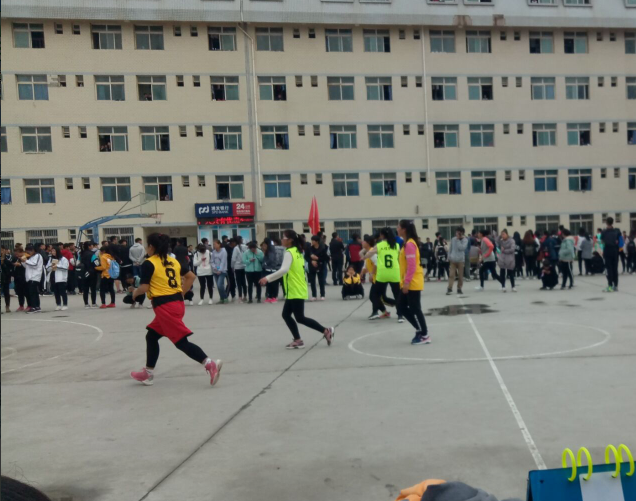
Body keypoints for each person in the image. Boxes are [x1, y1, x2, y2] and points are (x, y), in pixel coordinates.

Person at [130, 233, 222, 386]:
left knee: (181, 342)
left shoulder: (149, 263)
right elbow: (191, 277)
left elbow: (144, 287)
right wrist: (181, 294)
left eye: (147, 245)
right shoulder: (173, 261)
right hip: (176, 304)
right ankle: (148, 373)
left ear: (151, 247)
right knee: (151, 336)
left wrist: (135, 293)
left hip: (164, 307)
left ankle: (209, 363)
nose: (146, 248)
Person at [259, 229, 334, 349]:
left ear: (290, 240)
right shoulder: (297, 251)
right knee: (286, 315)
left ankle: (325, 331)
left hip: (295, 289)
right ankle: (298, 339)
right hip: (296, 288)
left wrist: (267, 278)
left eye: (284, 237)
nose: (282, 239)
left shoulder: (290, 252)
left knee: (300, 318)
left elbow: (284, 270)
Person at [396, 220, 429, 346]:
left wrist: (407, 282)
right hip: (409, 280)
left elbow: (411, 266)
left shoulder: (410, 244)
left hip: (412, 282)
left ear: (404, 229)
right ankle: (420, 329)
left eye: (398, 226)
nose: (397, 228)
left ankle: (424, 335)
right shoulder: (407, 243)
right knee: (401, 306)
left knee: (415, 308)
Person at [366, 228, 403, 322]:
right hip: (394, 273)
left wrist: (363, 255)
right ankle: (400, 315)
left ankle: (377, 311)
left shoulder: (379, 245)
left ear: (382, 235)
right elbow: (400, 258)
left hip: (383, 274)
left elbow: (369, 254)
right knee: (397, 294)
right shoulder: (396, 245)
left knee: (374, 294)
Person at [21, 244, 45, 313]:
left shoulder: (38, 256)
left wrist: (26, 261)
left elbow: (34, 264)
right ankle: (37, 307)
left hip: (34, 277)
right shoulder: (31, 257)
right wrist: (23, 261)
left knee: (32, 293)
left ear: (33, 250)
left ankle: (34, 307)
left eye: (29, 251)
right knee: (34, 293)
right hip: (29, 277)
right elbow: (27, 266)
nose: (28, 253)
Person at [601, 216, 621, 292]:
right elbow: (619, 241)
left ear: (606, 222)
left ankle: (610, 285)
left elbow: (602, 241)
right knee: (615, 268)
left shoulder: (604, 232)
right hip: (615, 250)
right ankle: (615, 285)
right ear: (612, 222)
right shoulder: (617, 231)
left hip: (607, 250)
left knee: (609, 268)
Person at [47, 246, 70, 311]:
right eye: (52, 251)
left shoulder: (63, 259)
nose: (53, 252)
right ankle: (58, 304)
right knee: (56, 292)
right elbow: (47, 268)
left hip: (61, 278)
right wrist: (51, 266)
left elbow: (65, 267)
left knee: (63, 292)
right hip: (53, 277)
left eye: (54, 251)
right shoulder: (51, 259)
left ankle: (65, 304)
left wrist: (57, 265)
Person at [306, 235, 328, 301]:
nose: (312, 242)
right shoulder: (309, 249)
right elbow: (306, 257)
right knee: (312, 281)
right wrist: (311, 261)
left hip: (320, 266)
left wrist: (317, 258)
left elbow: (326, 258)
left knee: (321, 281)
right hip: (312, 266)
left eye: (313, 240)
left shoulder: (322, 249)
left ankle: (322, 295)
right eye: (312, 240)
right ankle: (314, 295)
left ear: (317, 241)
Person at [447, 227, 468, 295]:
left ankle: (459, 288)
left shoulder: (465, 240)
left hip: (460, 260)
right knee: (451, 274)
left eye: (459, 232)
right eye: (456, 232)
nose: (457, 234)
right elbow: (450, 248)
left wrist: (458, 240)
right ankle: (449, 288)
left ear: (462, 233)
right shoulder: (453, 239)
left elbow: (462, 248)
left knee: (460, 275)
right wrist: (449, 256)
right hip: (453, 260)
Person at [80, 241, 100, 308]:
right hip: (92, 273)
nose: (92, 247)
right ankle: (93, 303)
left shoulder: (81, 254)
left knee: (85, 289)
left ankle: (86, 304)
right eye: (92, 245)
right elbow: (96, 264)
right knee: (93, 289)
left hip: (83, 273)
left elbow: (78, 262)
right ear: (89, 246)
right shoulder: (92, 254)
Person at [211, 239, 228, 304]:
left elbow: (223, 262)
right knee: (219, 286)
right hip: (215, 271)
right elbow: (212, 261)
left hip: (222, 271)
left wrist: (220, 270)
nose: (214, 245)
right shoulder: (213, 252)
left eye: (215, 244)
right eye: (213, 244)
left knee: (220, 285)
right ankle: (221, 298)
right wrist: (214, 267)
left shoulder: (223, 251)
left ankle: (225, 297)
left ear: (219, 244)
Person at [231, 237, 248, 303]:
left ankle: (240, 297)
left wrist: (232, 266)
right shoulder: (245, 247)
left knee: (239, 282)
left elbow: (233, 259)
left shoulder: (236, 248)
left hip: (237, 267)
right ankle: (245, 296)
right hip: (244, 266)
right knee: (244, 282)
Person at [11, 247, 27, 311]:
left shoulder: (24, 257)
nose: (16, 255)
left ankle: (29, 305)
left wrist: (20, 265)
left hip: (23, 277)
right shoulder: (15, 258)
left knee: (25, 292)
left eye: (17, 254)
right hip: (17, 277)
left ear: (21, 252)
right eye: (15, 254)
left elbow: (27, 266)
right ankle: (21, 305)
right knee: (19, 292)